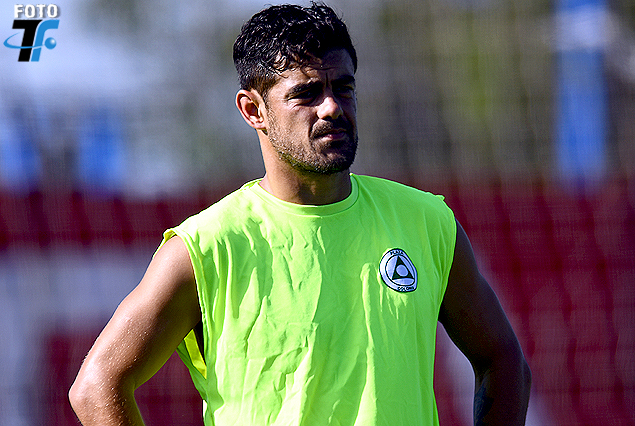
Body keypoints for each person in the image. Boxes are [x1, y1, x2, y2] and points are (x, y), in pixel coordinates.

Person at [69, 3, 531, 425]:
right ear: (253, 110)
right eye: (306, 93)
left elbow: (503, 360)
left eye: (343, 88)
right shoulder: (206, 248)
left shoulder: (427, 223)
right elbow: (96, 388)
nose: (332, 107)